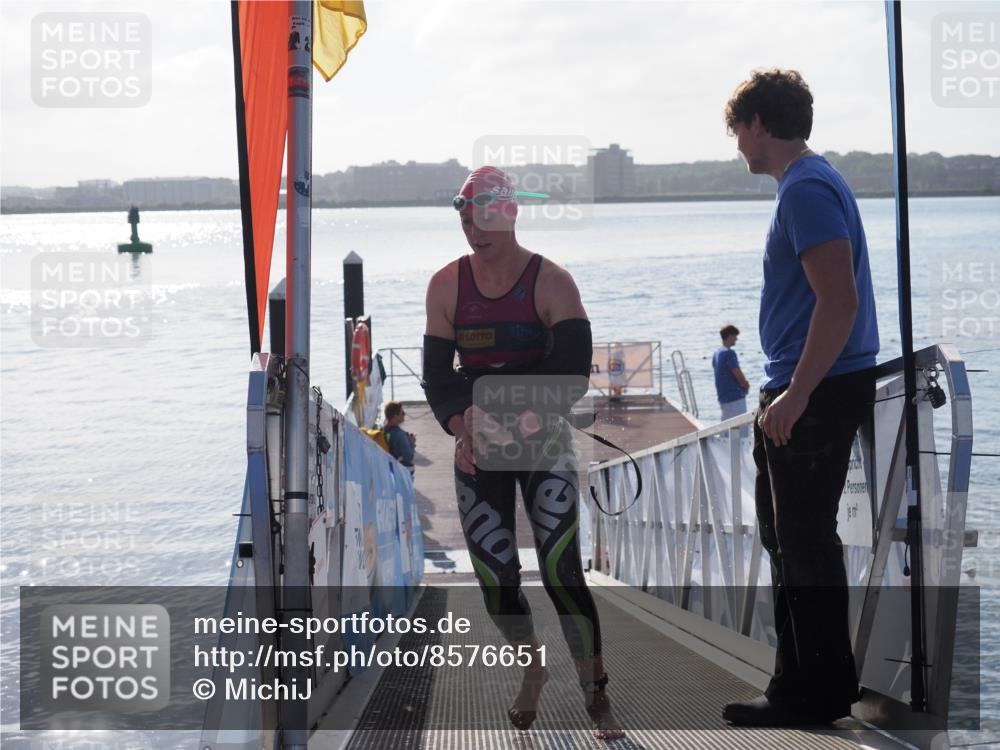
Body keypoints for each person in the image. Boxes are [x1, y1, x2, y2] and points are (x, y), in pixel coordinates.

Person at [421, 166, 624, 740]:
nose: (473, 229)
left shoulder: (551, 281)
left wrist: (535, 413)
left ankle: (595, 687)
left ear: (509, 213)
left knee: (561, 571)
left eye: (483, 216)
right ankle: (532, 668)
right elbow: (438, 378)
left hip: (544, 441)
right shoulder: (445, 286)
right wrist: (462, 427)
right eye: (464, 218)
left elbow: (573, 370)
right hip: (480, 446)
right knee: (495, 580)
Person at [721, 69, 879, 726]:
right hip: (811, 386)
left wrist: (796, 395)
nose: (736, 144)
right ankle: (815, 683)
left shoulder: (806, 189)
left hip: (812, 390)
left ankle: (804, 693)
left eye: (736, 130)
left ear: (758, 124)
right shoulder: (811, 184)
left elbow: (837, 301)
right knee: (792, 540)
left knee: (802, 541)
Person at [712, 324, 750, 421]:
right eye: (735, 336)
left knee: (726, 427)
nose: (736, 339)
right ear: (730, 336)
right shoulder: (729, 353)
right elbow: (737, 372)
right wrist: (746, 385)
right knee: (741, 428)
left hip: (723, 396)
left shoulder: (717, 353)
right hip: (735, 396)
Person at [383, 401, 415, 476]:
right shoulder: (400, 435)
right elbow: (408, 457)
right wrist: (412, 442)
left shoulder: (385, 430)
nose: (404, 415)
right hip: (401, 473)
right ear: (395, 416)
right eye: (402, 413)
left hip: (389, 470)